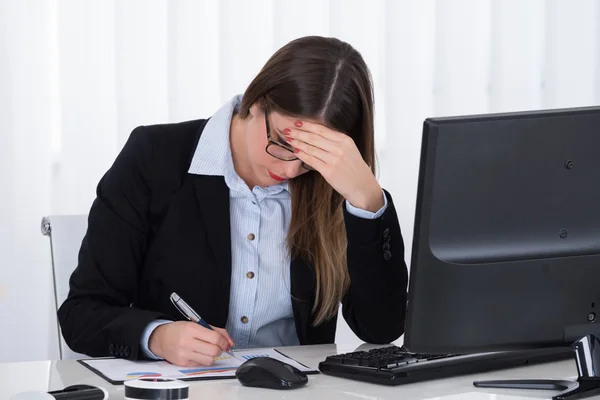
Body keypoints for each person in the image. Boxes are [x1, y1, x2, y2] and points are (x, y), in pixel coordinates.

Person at [57, 35, 408, 368]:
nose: (289, 169)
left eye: (310, 157)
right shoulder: (154, 157)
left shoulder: (331, 181)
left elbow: (380, 329)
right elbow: (81, 314)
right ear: (257, 101)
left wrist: (367, 200)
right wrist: (158, 337)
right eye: (284, 144)